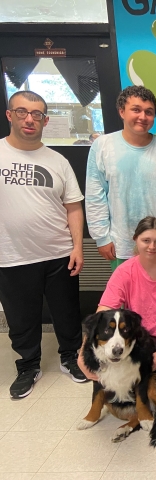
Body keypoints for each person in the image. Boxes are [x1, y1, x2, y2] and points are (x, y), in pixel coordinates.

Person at [0, 91, 87, 398]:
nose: (29, 119)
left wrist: (78, 247)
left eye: (36, 114)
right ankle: (28, 366)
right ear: (10, 115)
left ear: (45, 120)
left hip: (58, 252)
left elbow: (73, 206)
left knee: (66, 312)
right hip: (11, 256)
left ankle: (71, 358)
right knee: (21, 317)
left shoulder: (58, 161)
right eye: (22, 112)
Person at [79, 217, 156, 392]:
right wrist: (85, 348)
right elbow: (103, 311)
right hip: (143, 337)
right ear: (135, 239)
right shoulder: (124, 271)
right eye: (146, 240)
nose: (152, 247)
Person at [85, 86, 156, 270]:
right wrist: (102, 237)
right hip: (120, 245)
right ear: (122, 111)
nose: (143, 117)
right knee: (124, 297)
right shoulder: (102, 146)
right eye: (136, 110)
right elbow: (95, 196)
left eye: (149, 112)